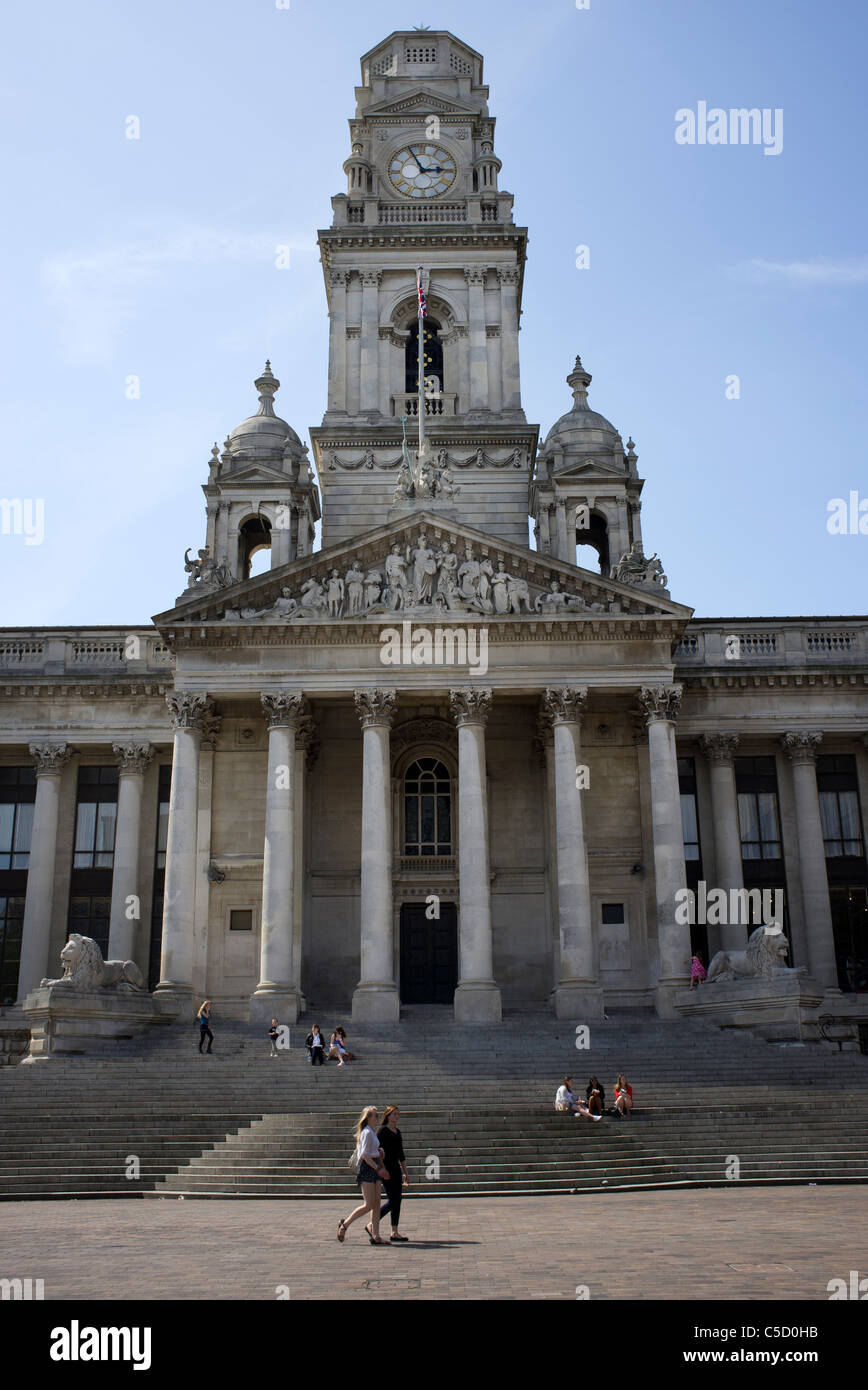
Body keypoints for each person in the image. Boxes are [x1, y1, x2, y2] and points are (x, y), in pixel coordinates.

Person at [337, 1106, 389, 1245]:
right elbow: (365, 1155)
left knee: (377, 1203)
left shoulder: (371, 1131)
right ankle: (345, 1225)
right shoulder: (366, 1132)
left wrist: (379, 1152)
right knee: (369, 1204)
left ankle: (376, 1235)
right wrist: (378, 1167)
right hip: (368, 1168)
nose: (377, 1118)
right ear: (368, 1118)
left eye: (377, 1115)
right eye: (375, 1115)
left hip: (373, 1167)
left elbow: (370, 1152)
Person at [378, 1105, 410, 1242]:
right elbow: (377, 1152)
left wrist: (405, 1173)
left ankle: (394, 1231)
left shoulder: (398, 1132)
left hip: (396, 1168)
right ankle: (372, 1223)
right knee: (393, 1199)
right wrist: (381, 1168)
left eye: (398, 1114)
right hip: (386, 1169)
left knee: (398, 1199)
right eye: (394, 1114)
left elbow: (401, 1154)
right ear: (388, 1115)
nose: (397, 1116)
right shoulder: (382, 1131)